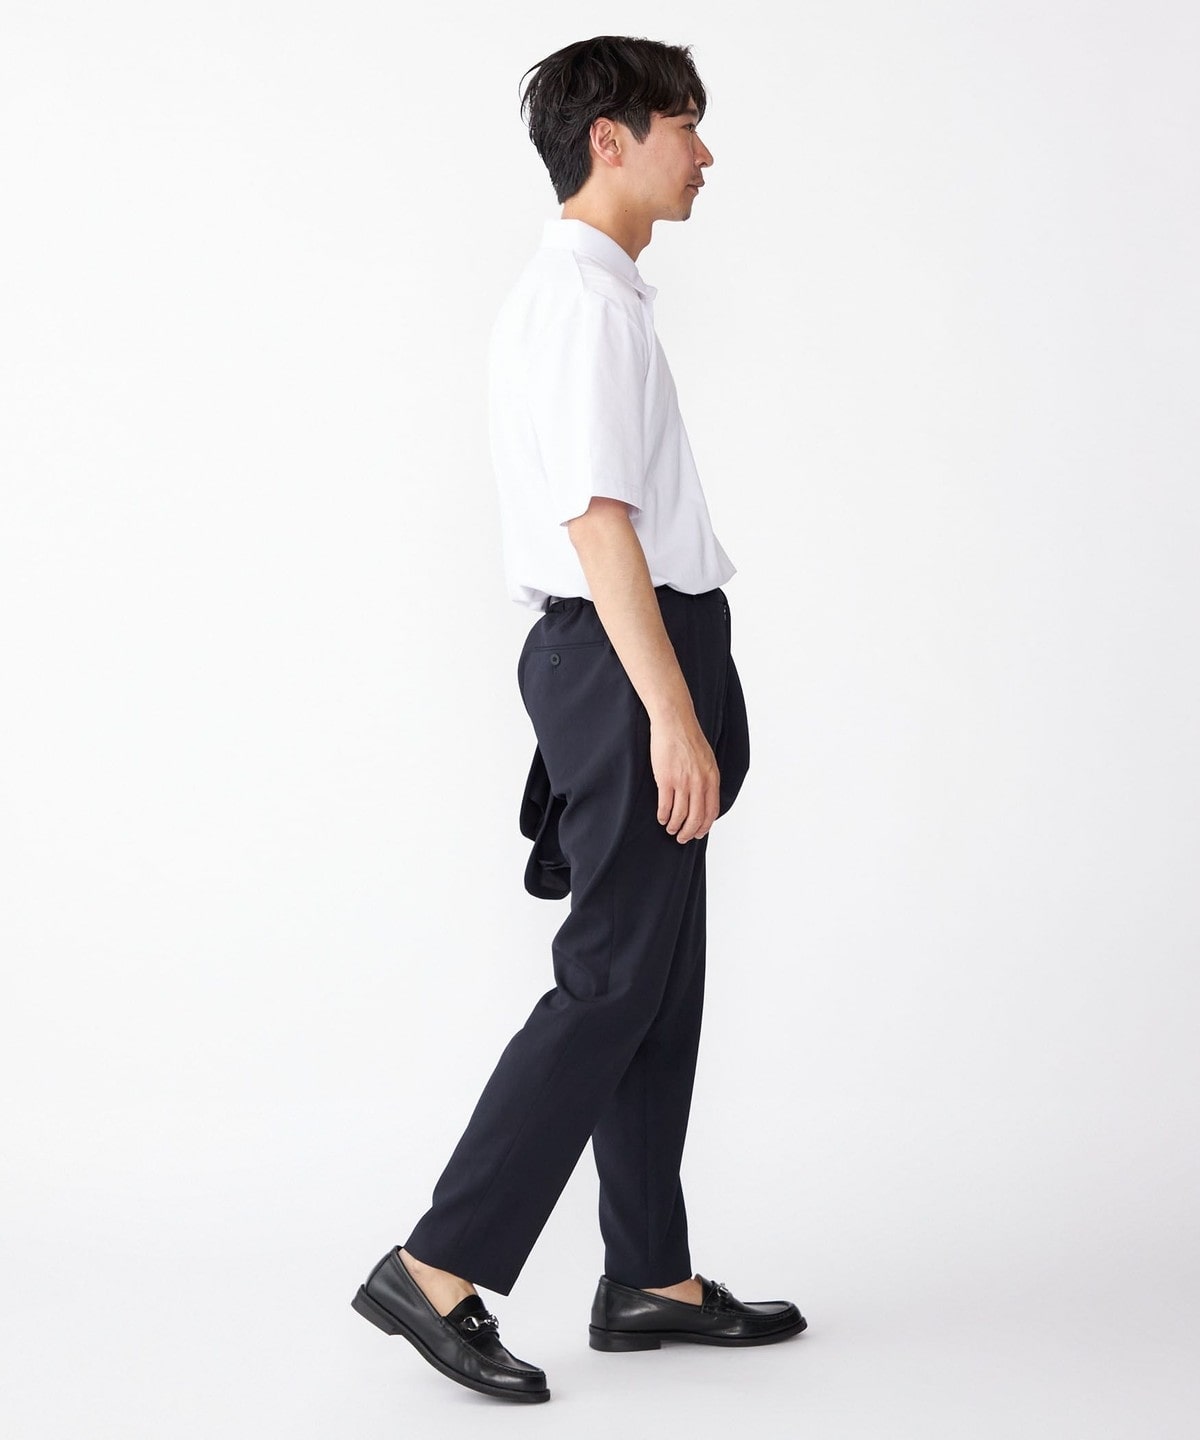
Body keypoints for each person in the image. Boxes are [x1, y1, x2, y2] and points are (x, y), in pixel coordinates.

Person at [351, 35, 806, 1404]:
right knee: (613, 977)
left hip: (638, 651)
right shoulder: (583, 305)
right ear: (611, 138)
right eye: (685, 124)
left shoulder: (597, 296)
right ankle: (437, 1267)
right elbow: (598, 525)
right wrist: (670, 711)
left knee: (656, 977)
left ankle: (648, 1275)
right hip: (628, 654)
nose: (705, 153)